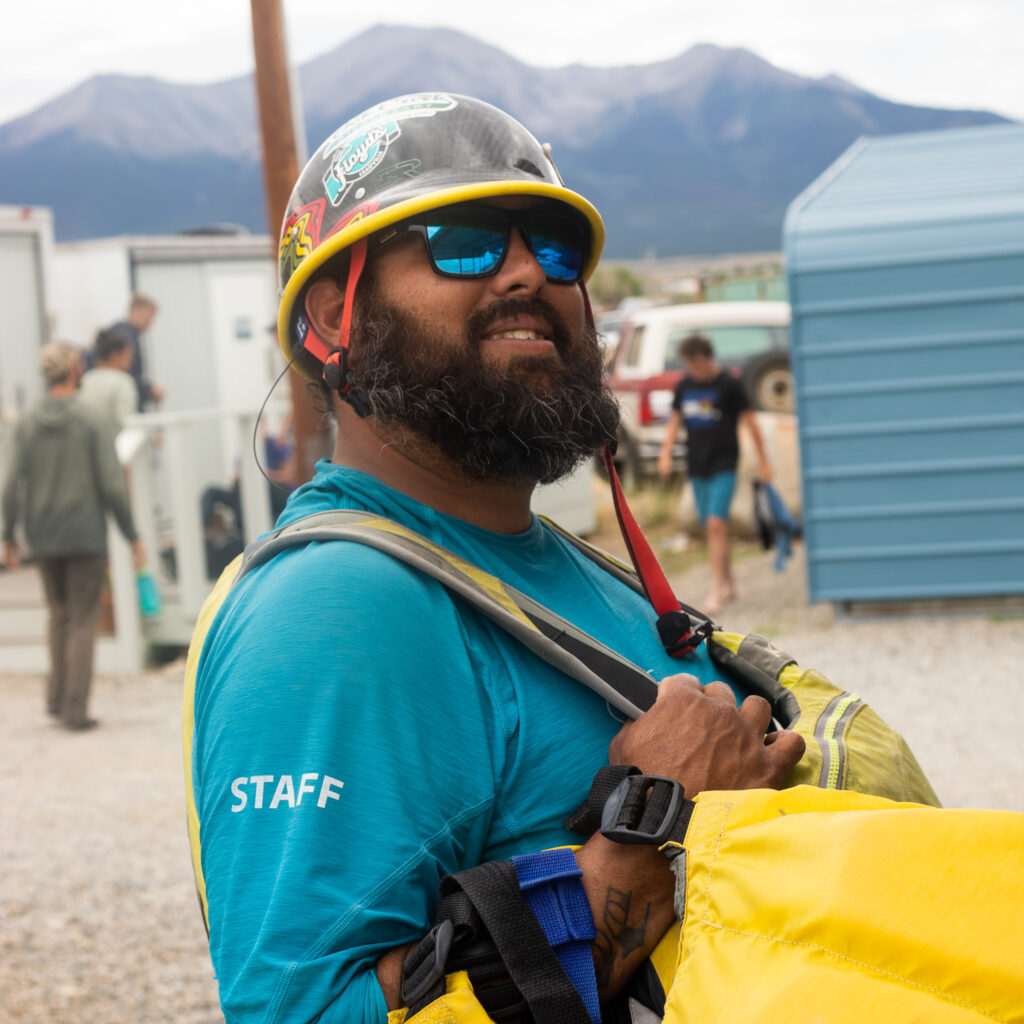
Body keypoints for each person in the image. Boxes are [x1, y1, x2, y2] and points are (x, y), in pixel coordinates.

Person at [184, 93, 804, 1023]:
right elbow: (300, 1011)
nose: (528, 274)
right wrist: (660, 824)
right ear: (332, 310)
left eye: (554, 249)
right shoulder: (340, 606)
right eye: (464, 239)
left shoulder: (553, 563)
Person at [3, 343, 146, 730]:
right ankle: (75, 710)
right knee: (83, 619)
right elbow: (112, 483)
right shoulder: (91, 416)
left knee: (58, 615)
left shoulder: (29, 419)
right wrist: (132, 534)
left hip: (41, 531)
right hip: (84, 530)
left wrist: (8, 534)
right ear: (72, 370)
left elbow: (10, 482)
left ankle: (54, 699)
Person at [657, 333, 772, 615]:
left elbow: (751, 422)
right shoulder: (684, 386)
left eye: (698, 364)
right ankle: (729, 583)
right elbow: (674, 421)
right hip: (697, 466)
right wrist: (665, 452)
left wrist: (764, 462)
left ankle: (717, 589)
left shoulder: (729, 385)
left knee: (715, 526)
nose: (694, 370)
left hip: (724, 464)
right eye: (689, 365)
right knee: (712, 527)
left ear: (709, 359)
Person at [105, 293, 164, 411]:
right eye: (149, 317)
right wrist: (149, 389)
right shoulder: (125, 337)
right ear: (135, 311)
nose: (150, 323)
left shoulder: (121, 332)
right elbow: (125, 372)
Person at [79, 326, 139, 430]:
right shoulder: (122, 381)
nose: (130, 363)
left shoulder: (84, 380)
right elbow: (126, 422)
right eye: (128, 357)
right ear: (116, 355)